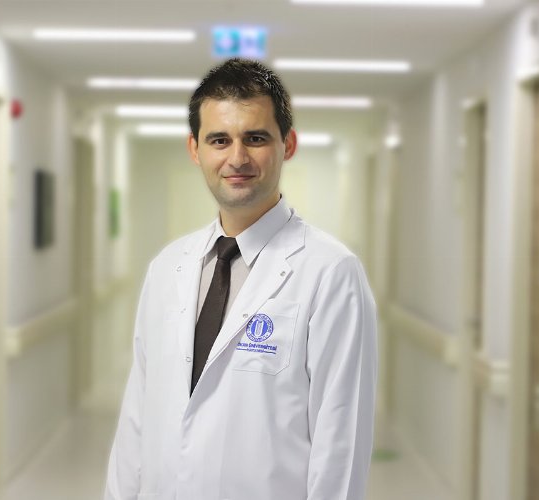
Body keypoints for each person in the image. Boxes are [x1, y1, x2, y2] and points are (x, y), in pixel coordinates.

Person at [104, 58, 377, 500]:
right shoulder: (167, 268)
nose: (237, 158)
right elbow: (136, 419)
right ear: (195, 149)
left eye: (255, 138)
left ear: (288, 144)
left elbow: (340, 448)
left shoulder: (330, 272)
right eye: (219, 140)